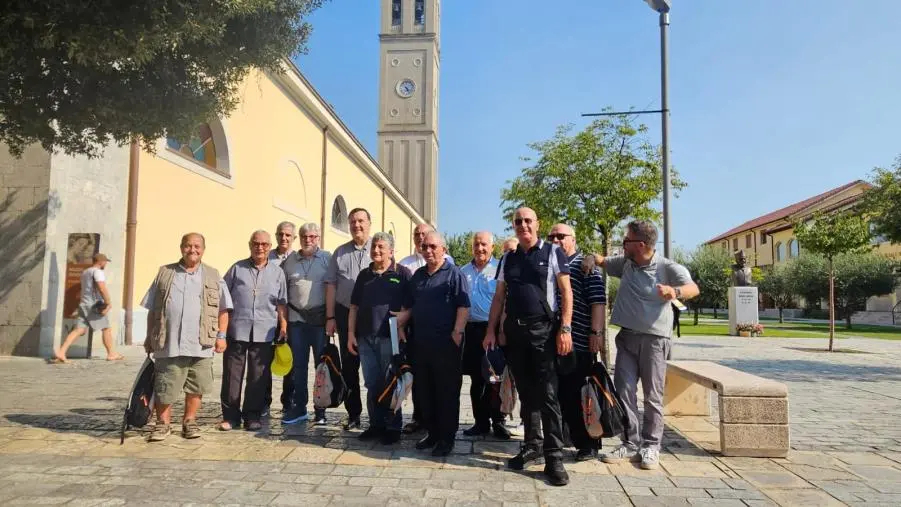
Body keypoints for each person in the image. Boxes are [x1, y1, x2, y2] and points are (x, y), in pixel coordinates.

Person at [594, 220, 699, 470]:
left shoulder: (667, 267)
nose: (623, 244)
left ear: (640, 245)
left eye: (627, 240)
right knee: (624, 392)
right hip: (627, 338)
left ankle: (651, 446)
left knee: (653, 397)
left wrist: (674, 292)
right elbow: (601, 260)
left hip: (655, 341)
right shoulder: (626, 263)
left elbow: (693, 288)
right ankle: (630, 443)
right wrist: (590, 259)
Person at [483, 207, 573, 487]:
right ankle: (532, 446)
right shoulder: (508, 258)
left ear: (537, 224)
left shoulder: (552, 253)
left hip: (544, 332)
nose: (523, 225)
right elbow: (499, 298)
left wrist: (565, 328)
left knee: (547, 395)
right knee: (527, 393)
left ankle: (554, 457)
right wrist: (491, 330)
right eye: (518, 221)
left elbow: (566, 291)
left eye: (528, 221)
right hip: (515, 334)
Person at [142, 233, 233, 442]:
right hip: (169, 341)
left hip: (201, 342)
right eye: (188, 246)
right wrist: (149, 336)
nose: (192, 250)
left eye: (197, 246)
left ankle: (189, 421)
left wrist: (222, 336)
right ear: (181, 247)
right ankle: (162, 424)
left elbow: (223, 310)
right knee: (165, 385)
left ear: (203, 249)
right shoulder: (165, 273)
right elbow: (152, 309)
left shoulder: (213, 274)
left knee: (196, 385)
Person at [396, 231, 470, 456]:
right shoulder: (418, 275)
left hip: (446, 345)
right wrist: (399, 326)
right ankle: (433, 433)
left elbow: (463, 306)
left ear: (443, 250)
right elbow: (408, 307)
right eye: (425, 247)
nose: (428, 251)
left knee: (446, 393)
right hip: (420, 344)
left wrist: (457, 332)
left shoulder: (454, 274)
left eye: (433, 247)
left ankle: (447, 438)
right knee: (425, 393)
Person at [547, 223, 605, 461]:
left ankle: (589, 443)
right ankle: (564, 438)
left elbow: (598, 302)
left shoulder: (584, 266)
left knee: (581, 395)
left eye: (561, 236)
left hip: (579, 342)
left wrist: (596, 334)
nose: (556, 239)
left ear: (573, 239)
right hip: (553, 341)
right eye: (551, 236)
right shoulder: (551, 265)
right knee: (559, 395)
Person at [219, 231, 288, 431]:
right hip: (237, 329)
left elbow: (281, 303)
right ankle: (231, 417)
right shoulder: (236, 269)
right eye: (256, 244)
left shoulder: (277, 273)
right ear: (250, 245)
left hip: (265, 330)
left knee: (258, 376)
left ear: (270, 246)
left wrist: (283, 325)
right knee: (232, 374)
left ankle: (252, 416)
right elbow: (223, 299)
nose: (260, 248)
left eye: (265, 244)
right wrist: (221, 329)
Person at [347, 232, 412, 445]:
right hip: (365, 338)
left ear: (391, 251)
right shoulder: (364, 275)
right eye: (374, 246)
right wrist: (349, 334)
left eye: (381, 247)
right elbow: (354, 307)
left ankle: (393, 427)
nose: (376, 250)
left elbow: (411, 306)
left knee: (391, 382)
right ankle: (375, 424)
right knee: (372, 383)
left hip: (390, 337)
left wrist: (404, 321)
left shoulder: (402, 274)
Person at [398, 222, 454, 434]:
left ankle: (438, 423)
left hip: (439, 331)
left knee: (438, 378)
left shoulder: (447, 265)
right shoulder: (405, 264)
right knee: (418, 375)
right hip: (415, 329)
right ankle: (418, 417)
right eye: (417, 234)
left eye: (425, 234)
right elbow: (408, 299)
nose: (421, 238)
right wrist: (402, 324)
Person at [460, 232, 510, 440]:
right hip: (471, 331)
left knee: (495, 378)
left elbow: (505, 300)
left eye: (484, 244)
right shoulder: (463, 271)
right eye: (476, 244)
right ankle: (480, 422)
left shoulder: (500, 268)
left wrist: (501, 330)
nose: (480, 248)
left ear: (492, 247)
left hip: (493, 329)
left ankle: (499, 422)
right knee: (475, 379)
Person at [325, 208, 372, 429]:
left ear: (369, 223)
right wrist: (330, 316)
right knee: (349, 368)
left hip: (373, 317)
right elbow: (331, 285)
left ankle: (380, 415)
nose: (356, 225)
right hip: (344, 315)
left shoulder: (380, 247)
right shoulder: (340, 253)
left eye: (361, 221)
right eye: (352, 221)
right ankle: (354, 414)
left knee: (377, 368)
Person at [281, 222, 331, 425]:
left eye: (312, 236)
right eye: (304, 237)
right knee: (298, 368)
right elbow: (282, 294)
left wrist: (331, 318)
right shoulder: (289, 261)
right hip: (297, 323)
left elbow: (332, 288)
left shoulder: (328, 259)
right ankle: (299, 407)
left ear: (318, 238)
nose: (308, 240)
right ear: (299, 239)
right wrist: (283, 324)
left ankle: (321, 410)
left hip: (320, 323)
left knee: (322, 368)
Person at [54, 253, 124, 362]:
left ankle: (61, 352)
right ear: (100, 261)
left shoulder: (85, 272)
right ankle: (111, 354)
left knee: (79, 330)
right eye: (105, 261)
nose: (106, 263)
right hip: (94, 305)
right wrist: (108, 303)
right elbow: (102, 288)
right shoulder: (98, 272)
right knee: (106, 328)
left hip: (84, 304)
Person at [265, 221, 297, 416]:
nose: (283, 238)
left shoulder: (297, 258)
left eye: (287, 235)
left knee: (289, 360)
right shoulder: (266, 257)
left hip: (291, 317)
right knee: (264, 361)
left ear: (293, 238)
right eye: (280, 234)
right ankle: (264, 401)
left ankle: (289, 401)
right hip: (268, 317)